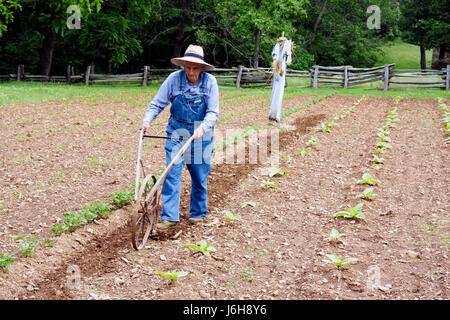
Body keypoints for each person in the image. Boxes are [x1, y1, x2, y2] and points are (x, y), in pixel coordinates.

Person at [142, 44, 219, 230]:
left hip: (200, 134)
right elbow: (157, 103)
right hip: (176, 131)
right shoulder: (173, 80)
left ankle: (198, 213)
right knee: (172, 173)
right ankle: (169, 217)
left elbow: (213, 112)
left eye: (195, 68)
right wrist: (147, 121)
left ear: (201, 68)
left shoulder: (210, 82)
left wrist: (203, 128)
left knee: (199, 176)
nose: (191, 72)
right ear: (183, 66)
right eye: (188, 67)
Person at [268, 34, 292, 123]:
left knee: (279, 92)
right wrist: (277, 66)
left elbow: (288, 58)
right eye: (280, 41)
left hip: (281, 70)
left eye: (282, 41)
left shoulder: (286, 47)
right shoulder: (277, 47)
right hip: (277, 71)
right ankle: (272, 115)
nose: (281, 43)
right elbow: (275, 58)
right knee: (275, 91)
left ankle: (276, 115)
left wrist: (281, 67)